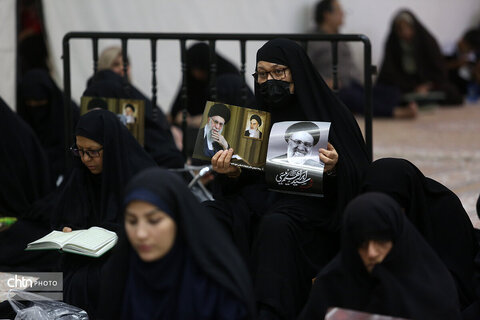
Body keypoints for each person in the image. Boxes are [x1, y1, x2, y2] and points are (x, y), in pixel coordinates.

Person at [206, 38, 370, 319]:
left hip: (313, 208)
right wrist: (231, 173)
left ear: (297, 71)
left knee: (276, 225)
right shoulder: (257, 117)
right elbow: (251, 174)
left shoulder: (333, 113)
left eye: (278, 72)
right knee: (210, 214)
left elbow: (360, 177)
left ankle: (270, 310)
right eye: (262, 74)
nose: (269, 81)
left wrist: (333, 168)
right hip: (262, 200)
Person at [96, 167, 255, 319]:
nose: (141, 234)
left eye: (154, 221)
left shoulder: (213, 288)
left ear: (179, 220)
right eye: (132, 221)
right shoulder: (119, 276)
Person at [50, 109, 157, 316]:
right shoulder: (81, 175)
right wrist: (68, 231)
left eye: (93, 151)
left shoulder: (139, 176)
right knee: (52, 280)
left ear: (112, 147)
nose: (85, 159)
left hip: (129, 257)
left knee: (89, 281)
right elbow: (65, 213)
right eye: (79, 151)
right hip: (84, 258)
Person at [298, 192, 462, 320]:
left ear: (397, 240)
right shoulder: (332, 284)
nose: (371, 253)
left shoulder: (431, 290)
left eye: (381, 242)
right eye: (361, 244)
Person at [360, 158, 480, 314]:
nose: (386, 218)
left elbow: (456, 285)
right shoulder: (363, 216)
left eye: (394, 209)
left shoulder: (444, 211)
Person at [308, 0, 418, 118]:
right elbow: (305, 68)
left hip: (352, 83)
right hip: (333, 89)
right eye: (339, 11)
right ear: (327, 15)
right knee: (352, 97)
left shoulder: (340, 38)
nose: (343, 14)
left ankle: (375, 107)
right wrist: (324, 82)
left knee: (391, 92)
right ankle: (396, 112)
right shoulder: (312, 40)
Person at [84, 68, 184, 168]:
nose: (122, 69)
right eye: (116, 65)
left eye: (126, 65)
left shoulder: (127, 101)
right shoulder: (110, 88)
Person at [169, 42, 256, 156]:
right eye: (193, 69)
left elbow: (221, 118)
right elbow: (175, 111)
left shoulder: (225, 79)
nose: (196, 73)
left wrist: (191, 120)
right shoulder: (191, 79)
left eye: (199, 68)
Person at [377, 9, 463, 106]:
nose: (405, 32)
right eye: (400, 29)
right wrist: (412, 87)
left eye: (407, 28)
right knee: (383, 92)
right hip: (405, 86)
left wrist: (427, 86)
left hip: (428, 84)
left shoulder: (427, 41)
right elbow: (389, 73)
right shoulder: (392, 44)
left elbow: (438, 70)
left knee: (452, 92)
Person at [18, 68, 80, 183]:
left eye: (40, 103)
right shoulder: (21, 116)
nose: (36, 110)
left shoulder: (68, 113)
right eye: (30, 104)